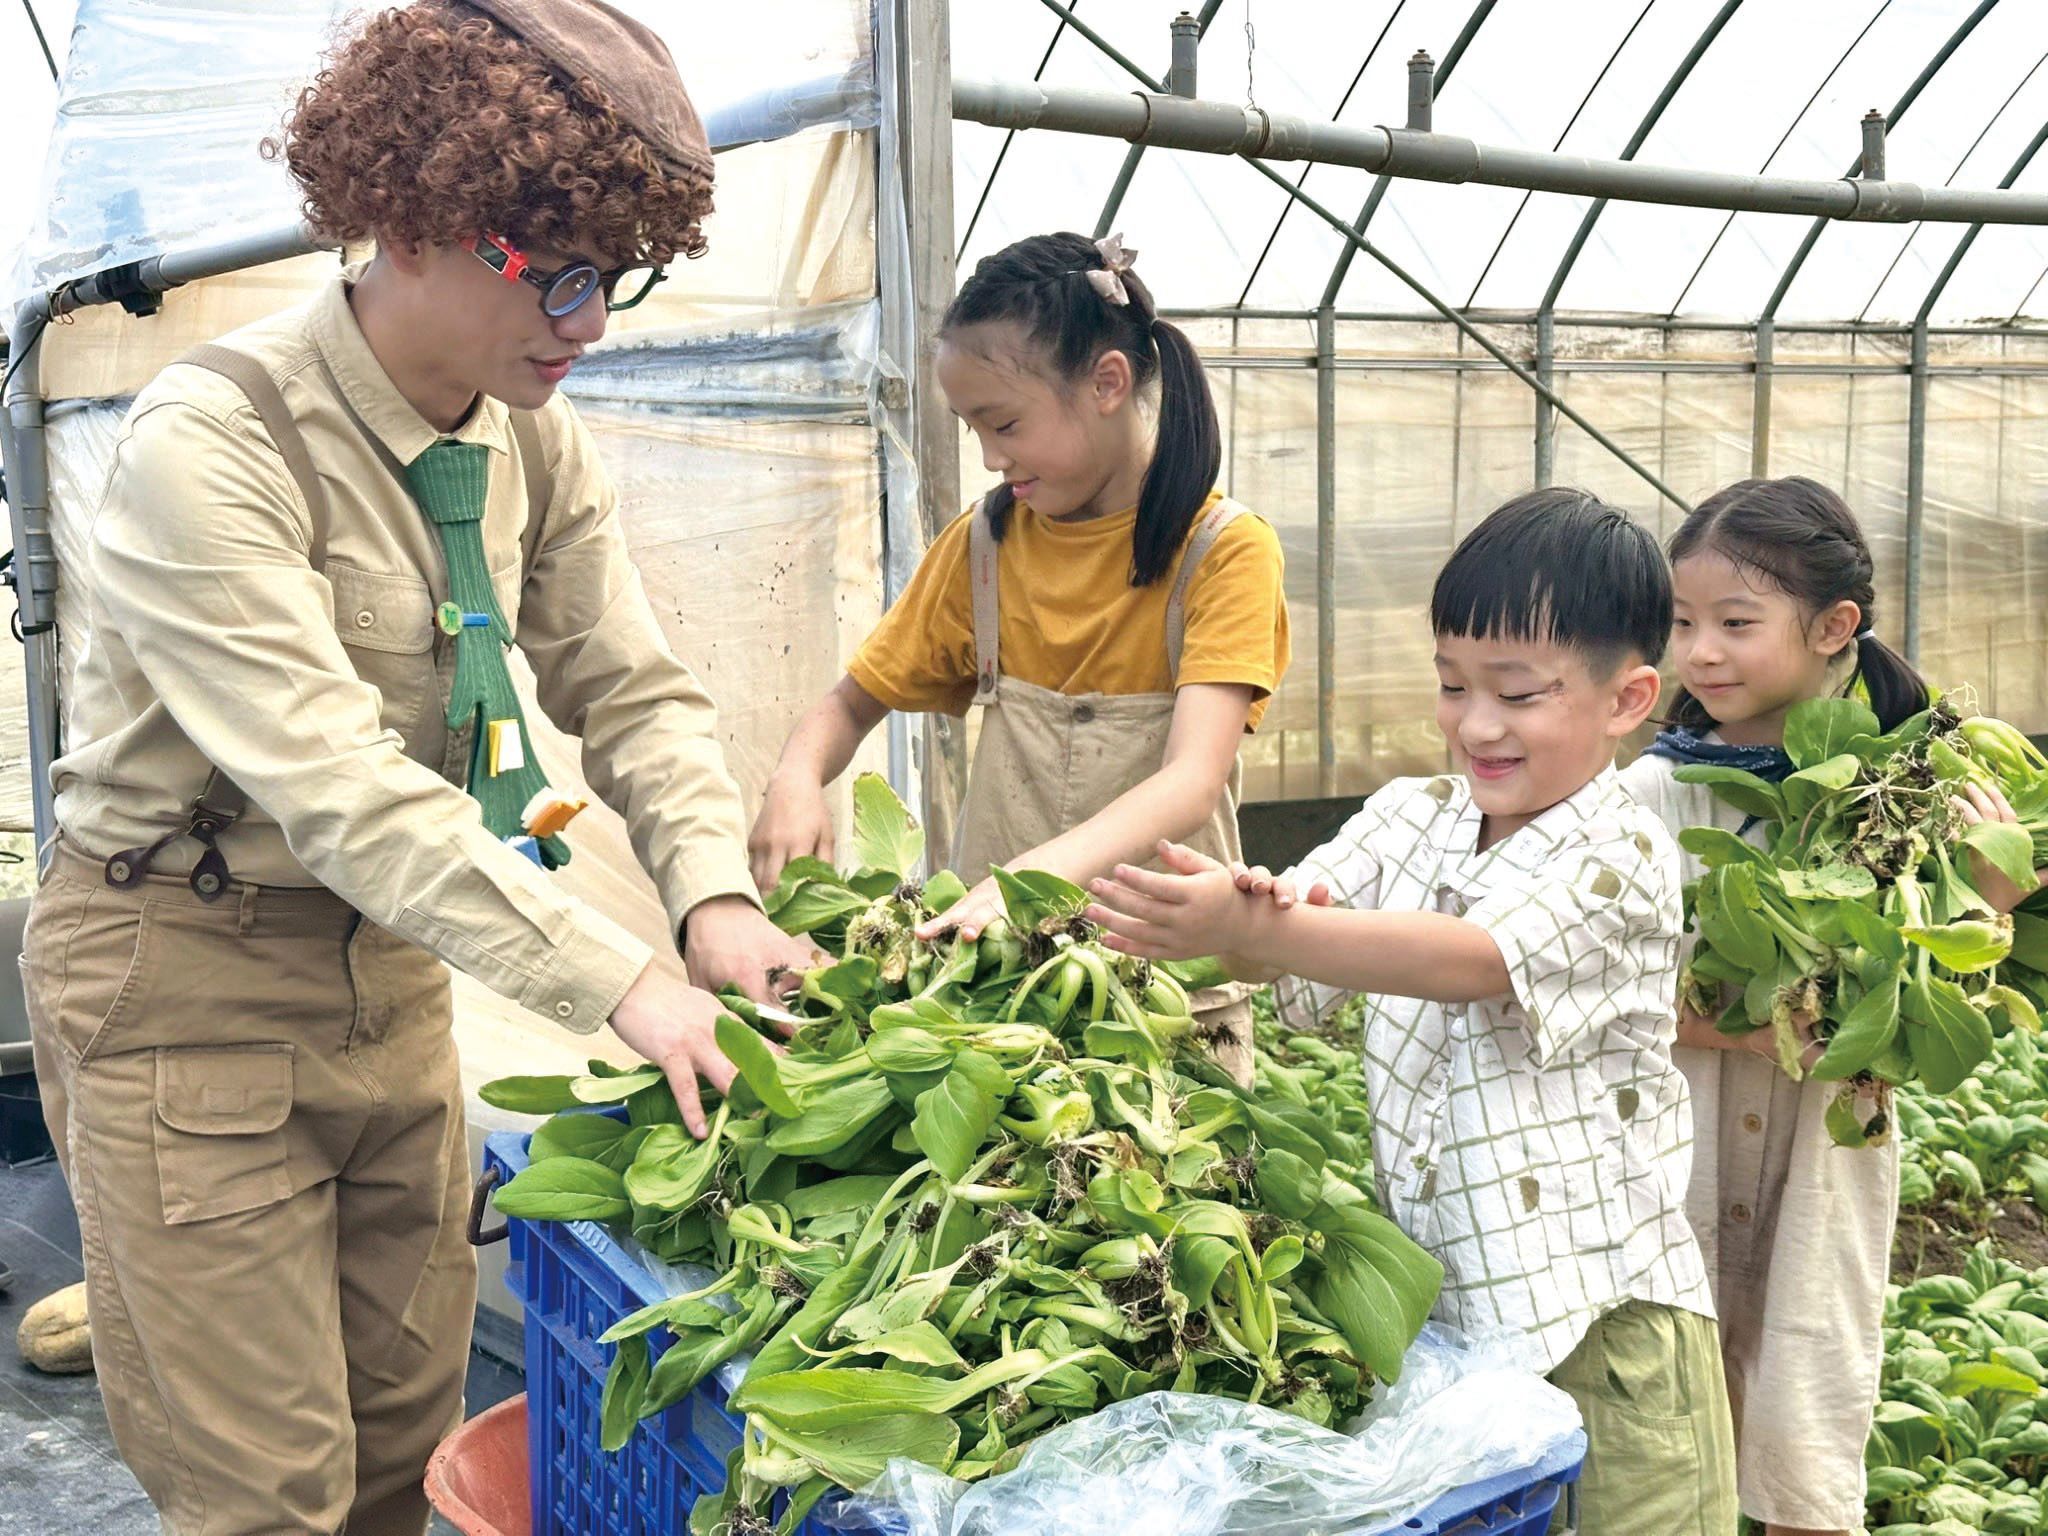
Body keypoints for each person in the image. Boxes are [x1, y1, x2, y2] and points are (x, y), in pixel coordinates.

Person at [21, 3, 815, 1530]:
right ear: (406, 215)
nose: (588, 322)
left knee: (399, 1446)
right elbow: (332, 781)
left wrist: (711, 900)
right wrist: (621, 979)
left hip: (388, 981)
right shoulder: (214, 444)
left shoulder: (530, 438)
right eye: (556, 272)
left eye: (615, 276)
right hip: (184, 983)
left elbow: (628, 685)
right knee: (269, 1494)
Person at [1087, 489, 1736, 1535]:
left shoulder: (1621, 851)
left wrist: (1266, 932)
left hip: (1606, 1327)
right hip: (1455, 1325)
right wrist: (1214, 915)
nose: (1475, 724)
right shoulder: (1411, 818)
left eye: (1517, 694)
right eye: (1450, 685)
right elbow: (1307, 926)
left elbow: (1472, 960)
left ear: (1627, 701)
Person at [749, 230, 1289, 1076]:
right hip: (996, 983)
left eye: (1005, 424)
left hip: (1166, 999)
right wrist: (795, 775)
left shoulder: (1222, 550)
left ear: (1107, 383)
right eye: (973, 431)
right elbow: (854, 702)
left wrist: (1025, 881)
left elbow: (1191, 778)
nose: (993, 458)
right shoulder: (987, 545)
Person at [1619, 476, 1932, 1536]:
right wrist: (1737, 1028)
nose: (1697, 652)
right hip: (1676, 1147)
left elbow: (1930, 1021)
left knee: (1805, 1413)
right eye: (1681, 623)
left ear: (1832, 627)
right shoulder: (1653, 795)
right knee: (1670, 1434)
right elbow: (1593, 992)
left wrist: (1982, 901)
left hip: (1824, 1156)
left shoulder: (1903, 797)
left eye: (1733, 624)